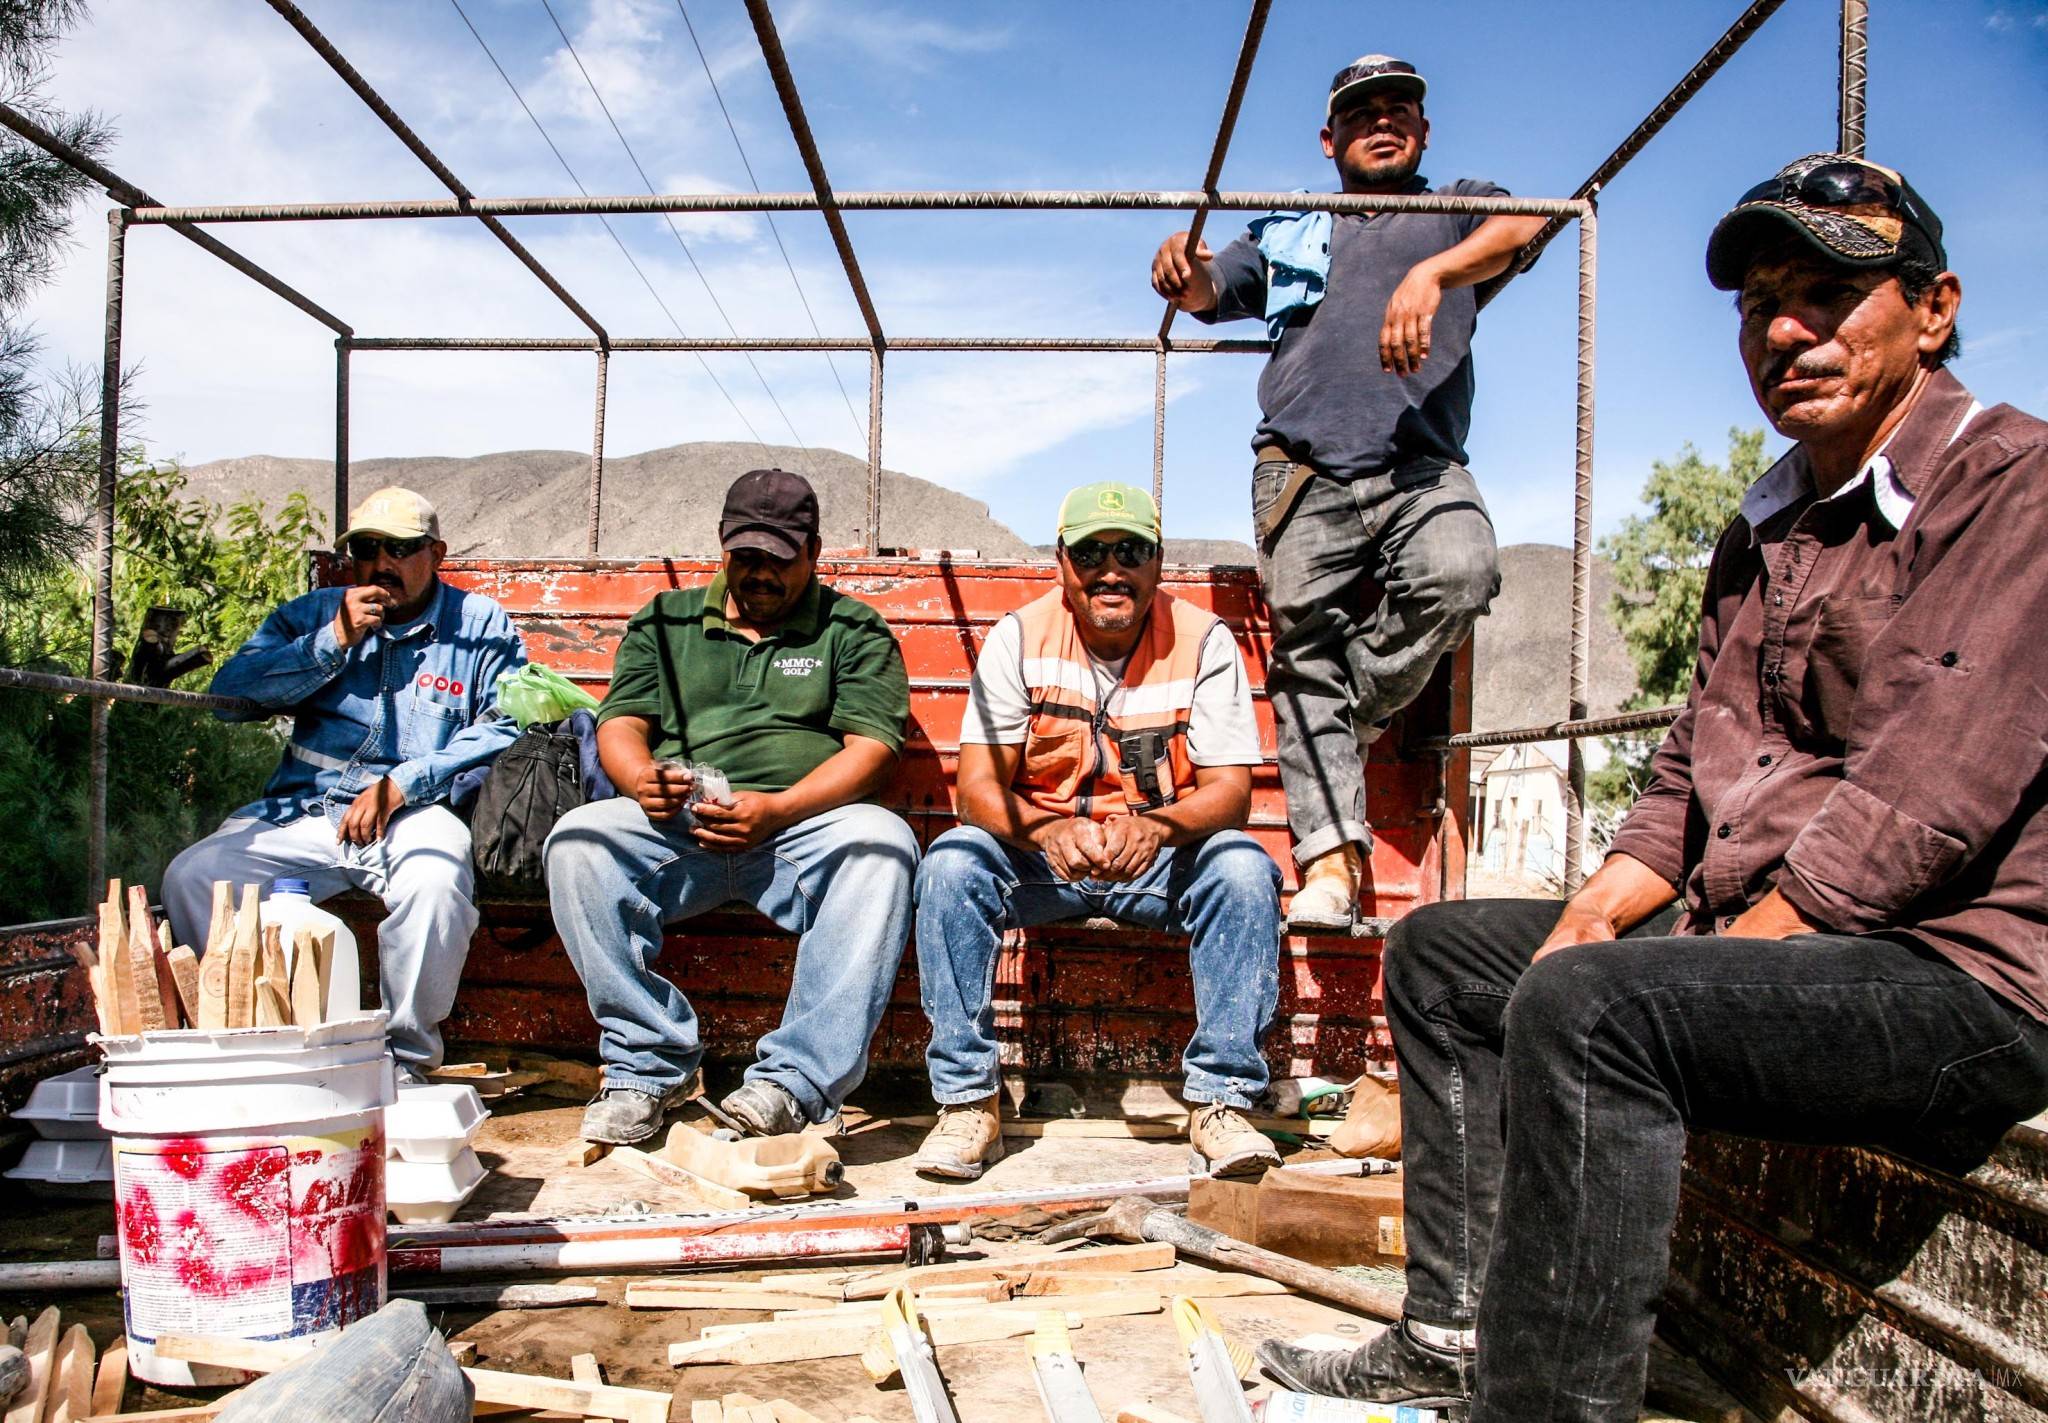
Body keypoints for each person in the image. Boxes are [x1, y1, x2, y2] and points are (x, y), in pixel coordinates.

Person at [1255, 154, 2048, 1420]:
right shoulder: (1771, 519)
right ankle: (1451, 1334)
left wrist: (1674, 965)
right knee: (1448, 958)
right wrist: (1595, 916)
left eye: (1829, 294)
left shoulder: (2012, 485)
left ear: (1931, 309)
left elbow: (1926, 797)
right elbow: (1694, 754)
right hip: (1788, 940)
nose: (1784, 330)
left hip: (1956, 975)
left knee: (1596, 1012)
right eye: (1757, 303)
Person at [1152, 55, 1545, 928]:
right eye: (1361, 112)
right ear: (1330, 139)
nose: (1382, 121)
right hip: (1301, 473)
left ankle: (1346, 709)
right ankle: (1329, 870)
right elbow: (1216, 287)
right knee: (1306, 648)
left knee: (1460, 571)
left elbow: (1526, 223)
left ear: (1423, 131)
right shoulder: (1295, 226)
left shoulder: (1454, 210)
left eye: (1399, 108)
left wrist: (1435, 273)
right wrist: (1183, 270)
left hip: (1420, 465)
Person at [912, 482, 1284, 1180]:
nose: (1110, 569)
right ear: (1061, 562)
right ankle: (969, 1101)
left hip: (1159, 858)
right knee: (951, 864)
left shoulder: (1205, 640)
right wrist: (1047, 831)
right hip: (1042, 856)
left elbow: (1232, 794)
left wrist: (1159, 826)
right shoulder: (1018, 637)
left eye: (1131, 550)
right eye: (1091, 552)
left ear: (1158, 561)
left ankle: (1222, 1101)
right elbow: (977, 792)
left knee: (1241, 868)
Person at [545, 469, 917, 1145]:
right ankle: (645, 1067)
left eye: (779, 559)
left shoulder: (853, 627)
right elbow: (621, 722)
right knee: (577, 841)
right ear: (721, 543)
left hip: (800, 829)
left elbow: (873, 750)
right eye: (746, 556)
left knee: (884, 846)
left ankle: (793, 1084)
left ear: (814, 551)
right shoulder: (666, 619)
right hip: (680, 825)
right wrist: (638, 779)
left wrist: (778, 808)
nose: (761, 574)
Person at [164, 487, 527, 1076]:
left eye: (401, 549)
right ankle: (257, 1043)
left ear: (436, 553)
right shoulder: (313, 614)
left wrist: (407, 782)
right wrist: (332, 640)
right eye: (365, 549)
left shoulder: (478, 623)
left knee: (436, 884)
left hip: (412, 811)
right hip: (304, 808)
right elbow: (230, 698)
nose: (382, 565)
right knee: (194, 876)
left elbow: (508, 721)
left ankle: (403, 1058)